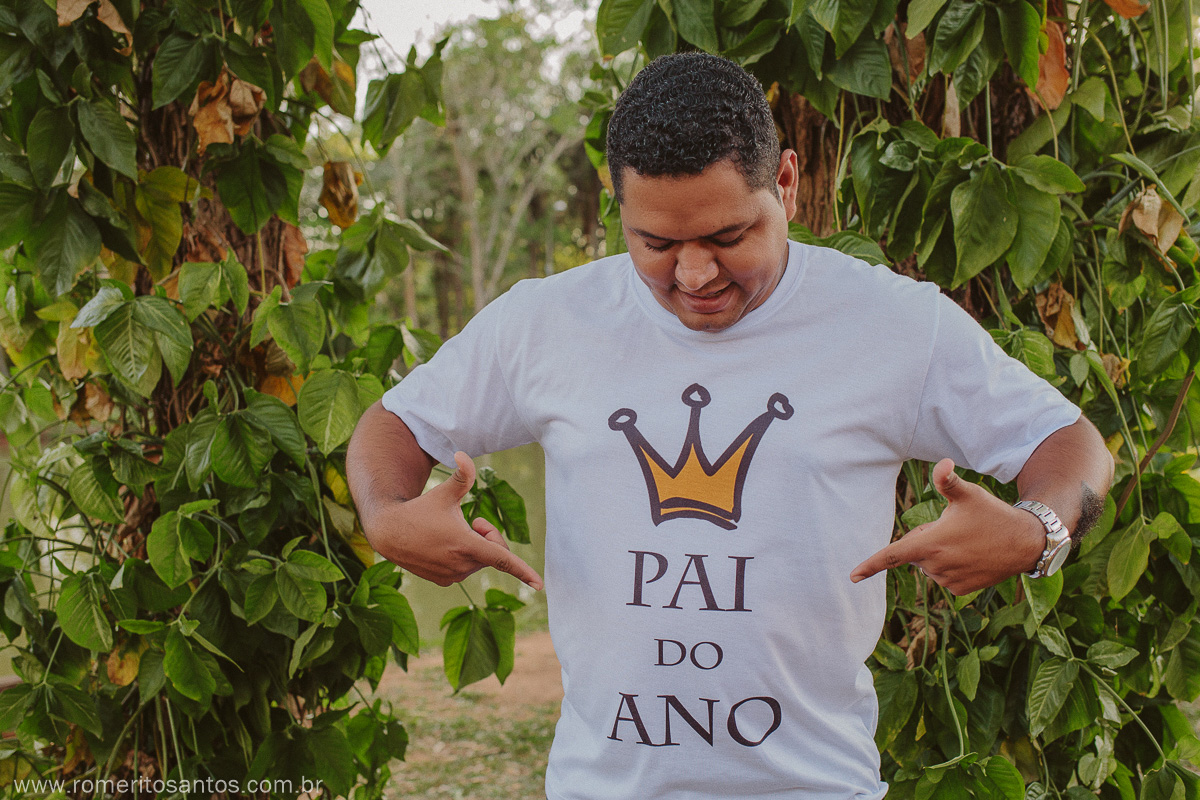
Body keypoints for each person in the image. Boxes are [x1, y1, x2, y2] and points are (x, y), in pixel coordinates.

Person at [347, 52, 1113, 800]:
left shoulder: (892, 324)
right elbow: (393, 429)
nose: (693, 276)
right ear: (620, 209)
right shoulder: (545, 322)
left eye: (725, 238)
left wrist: (1037, 531)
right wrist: (386, 518)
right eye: (656, 244)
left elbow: (1068, 444)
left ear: (786, 179)